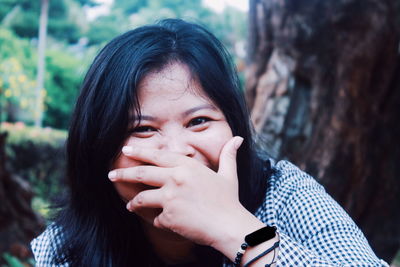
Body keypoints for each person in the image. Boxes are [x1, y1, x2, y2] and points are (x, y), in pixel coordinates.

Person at [31, 19, 388, 267]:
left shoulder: (286, 197)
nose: (177, 151)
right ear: (98, 150)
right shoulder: (64, 249)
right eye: (143, 129)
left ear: (235, 127)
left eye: (199, 121)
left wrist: (232, 228)